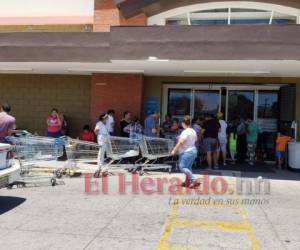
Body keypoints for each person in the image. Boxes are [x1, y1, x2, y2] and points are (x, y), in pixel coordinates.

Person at [171, 115, 198, 188]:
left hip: (187, 152)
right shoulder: (193, 131)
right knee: (188, 168)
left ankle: (194, 179)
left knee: (182, 167)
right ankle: (187, 182)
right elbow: (195, 140)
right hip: (193, 150)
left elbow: (180, 142)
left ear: (183, 123)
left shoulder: (185, 132)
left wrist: (174, 150)